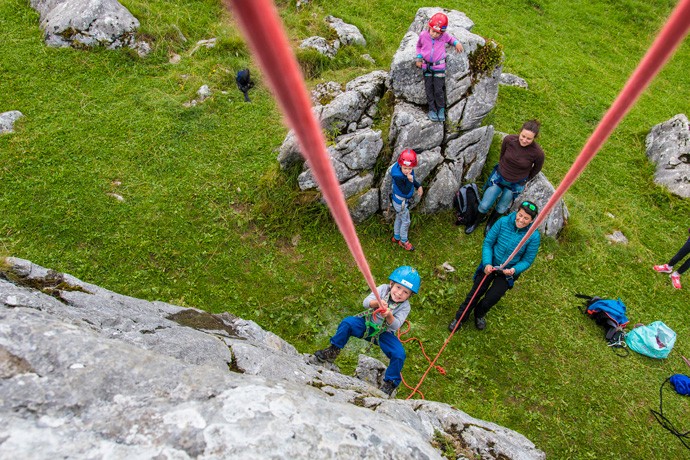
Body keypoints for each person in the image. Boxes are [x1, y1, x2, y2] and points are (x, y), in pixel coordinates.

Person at [314, 266, 421, 396]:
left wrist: (389, 315)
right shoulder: (382, 289)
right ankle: (333, 350)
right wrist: (377, 303)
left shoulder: (405, 306)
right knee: (347, 323)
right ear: (391, 283)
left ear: (410, 296)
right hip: (366, 324)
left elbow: (395, 326)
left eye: (405, 292)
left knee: (399, 354)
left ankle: (391, 382)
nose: (399, 293)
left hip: (384, 333)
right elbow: (366, 302)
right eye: (398, 287)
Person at [448, 201, 541, 331]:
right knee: (475, 293)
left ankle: (479, 314)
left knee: (491, 298)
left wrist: (514, 270)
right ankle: (460, 318)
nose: (521, 220)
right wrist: (487, 263)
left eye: (526, 218)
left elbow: (527, 260)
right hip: (490, 265)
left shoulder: (533, 236)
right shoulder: (503, 222)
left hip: (508, 273)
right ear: (516, 212)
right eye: (520, 215)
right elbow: (488, 243)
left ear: (531, 221)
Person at [465, 120, 545, 235]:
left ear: (534, 138)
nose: (524, 140)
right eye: (523, 136)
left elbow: (536, 169)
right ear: (520, 132)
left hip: (516, 184)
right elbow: (502, 156)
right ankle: (476, 222)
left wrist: (525, 179)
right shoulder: (509, 140)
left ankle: (490, 224)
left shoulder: (538, 153)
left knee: (502, 207)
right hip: (499, 177)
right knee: (484, 205)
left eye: (529, 139)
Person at [415, 12, 464, 122]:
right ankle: (432, 110)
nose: (435, 35)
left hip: (439, 67)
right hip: (426, 66)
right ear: (429, 27)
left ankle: (440, 109)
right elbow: (419, 46)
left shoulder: (444, 36)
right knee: (429, 89)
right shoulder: (423, 35)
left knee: (438, 90)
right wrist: (419, 57)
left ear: (442, 32)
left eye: (438, 33)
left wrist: (456, 43)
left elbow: (451, 39)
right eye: (433, 31)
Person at [390, 149, 423, 251]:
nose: (407, 171)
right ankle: (404, 241)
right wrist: (410, 180)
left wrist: (418, 186)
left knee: (399, 217)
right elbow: (405, 190)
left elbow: (412, 178)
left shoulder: (405, 171)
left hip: (399, 202)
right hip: (401, 202)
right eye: (405, 168)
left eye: (410, 168)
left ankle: (396, 237)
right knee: (406, 221)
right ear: (400, 165)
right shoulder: (398, 177)